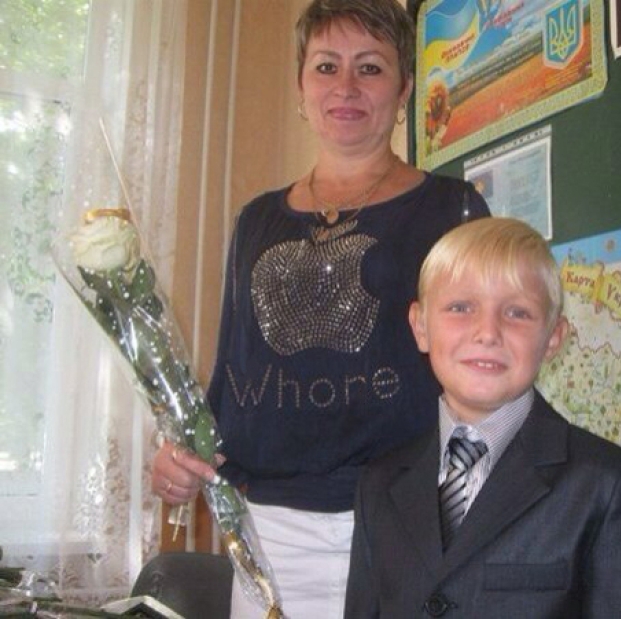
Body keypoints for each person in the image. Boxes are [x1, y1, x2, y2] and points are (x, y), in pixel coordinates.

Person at [150, 1, 489, 617]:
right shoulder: (255, 221)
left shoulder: (455, 210)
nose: (346, 87)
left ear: (404, 88)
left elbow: (486, 378)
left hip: (406, 528)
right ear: (301, 87)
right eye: (327, 66)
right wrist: (182, 453)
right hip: (269, 534)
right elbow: (234, 374)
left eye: (371, 68)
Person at [345, 218, 621, 618]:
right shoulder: (378, 484)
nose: (488, 332)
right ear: (420, 327)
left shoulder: (609, 487)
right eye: (460, 307)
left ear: (553, 338)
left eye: (517, 312)